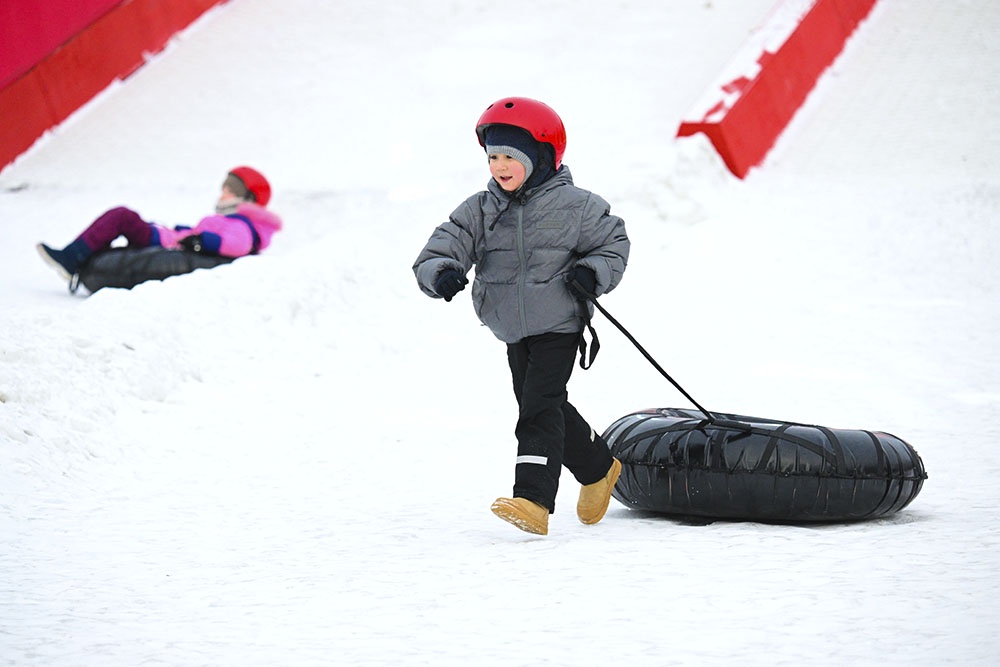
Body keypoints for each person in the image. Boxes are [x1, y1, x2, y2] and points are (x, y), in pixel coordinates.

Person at [413, 97, 630, 535]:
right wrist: (442, 273)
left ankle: (533, 499)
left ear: (543, 157)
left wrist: (594, 272)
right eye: (493, 155)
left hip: (560, 322)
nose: (500, 165)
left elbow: (613, 245)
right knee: (544, 404)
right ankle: (599, 468)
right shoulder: (481, 208)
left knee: (537, 408)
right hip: (512, 327)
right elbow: (442, 247)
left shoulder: (579, 206)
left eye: (512, 156)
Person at [36, 166, 282, 285]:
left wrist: (199, 241)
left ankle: (72, 258)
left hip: (166, 243)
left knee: (122, 217)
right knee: (121, 226)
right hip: (169, 240)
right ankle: (80, 258)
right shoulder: (230, 221)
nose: (221, 195)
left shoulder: (242, 225)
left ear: (247, 199)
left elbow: (237, 245)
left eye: (228, 191)